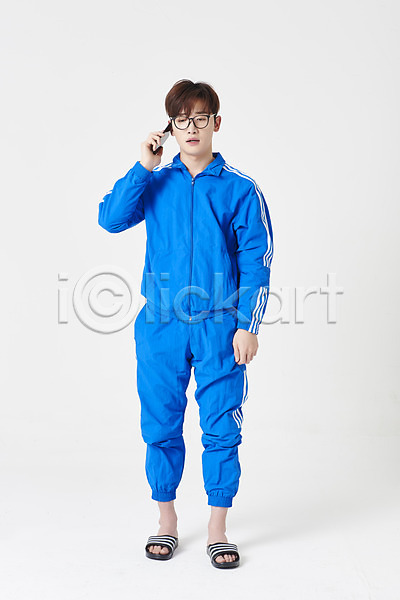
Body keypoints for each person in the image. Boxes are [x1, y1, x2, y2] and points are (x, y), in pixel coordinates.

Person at [98, 79, 274, 569]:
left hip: (220, 326)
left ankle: (218, 528)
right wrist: (143, 166)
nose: (191, 128)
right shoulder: (155, 182)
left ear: (216, 123)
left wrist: (248, 324)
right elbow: (110, 219)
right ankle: (167, 520)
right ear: (170, 128)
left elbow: (257, 260)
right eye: (181, 120)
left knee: (221, 427)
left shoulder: (240, 189)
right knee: (160, 424)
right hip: (160, 324)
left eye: (200, 118)